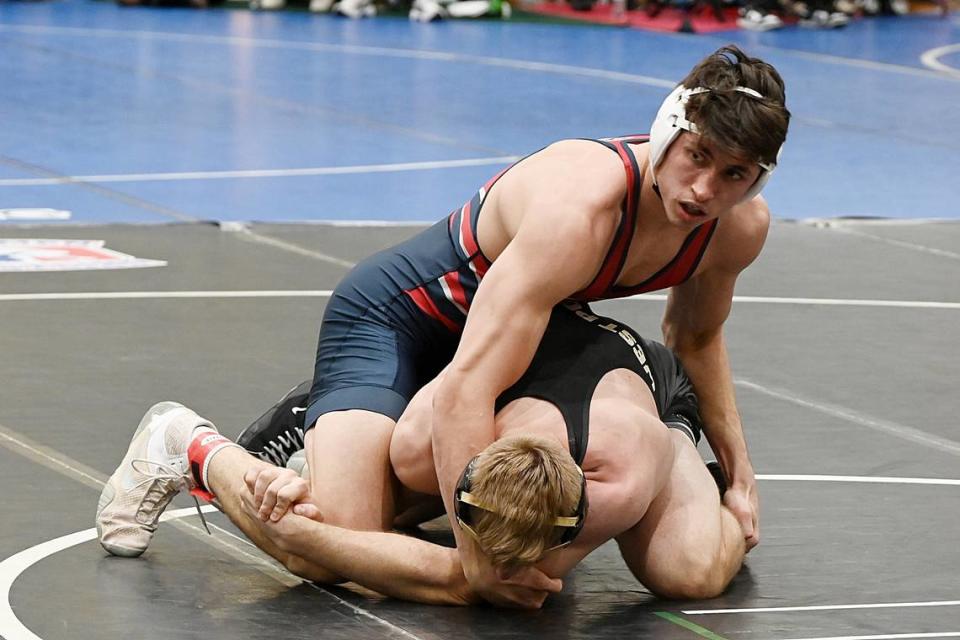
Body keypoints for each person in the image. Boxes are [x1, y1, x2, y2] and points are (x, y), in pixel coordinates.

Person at [258, 43, 787, 605]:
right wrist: (476, 555)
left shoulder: (736, 229)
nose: (705, 190)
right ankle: (199, 449)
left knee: (417, 552)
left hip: (513, 341)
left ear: (756, 180)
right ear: (667, 131)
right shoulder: (582, 208)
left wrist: (739, 473)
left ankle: (351, 447)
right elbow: (465, 387)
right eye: (698, 156)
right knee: (343, 551)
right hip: (399, 320)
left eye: (734, 174)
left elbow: (697, 338)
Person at [96, 302, 745, 608]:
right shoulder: (429, 436)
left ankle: (302, 485)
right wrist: (318, 516)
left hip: (647, 385)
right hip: (472, 362)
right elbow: (462, 571)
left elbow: (501, 581)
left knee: (689, 574)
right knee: (340, 540)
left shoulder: (624, 474)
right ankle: (187, 440)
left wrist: (739, 492)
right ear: (460, 476)